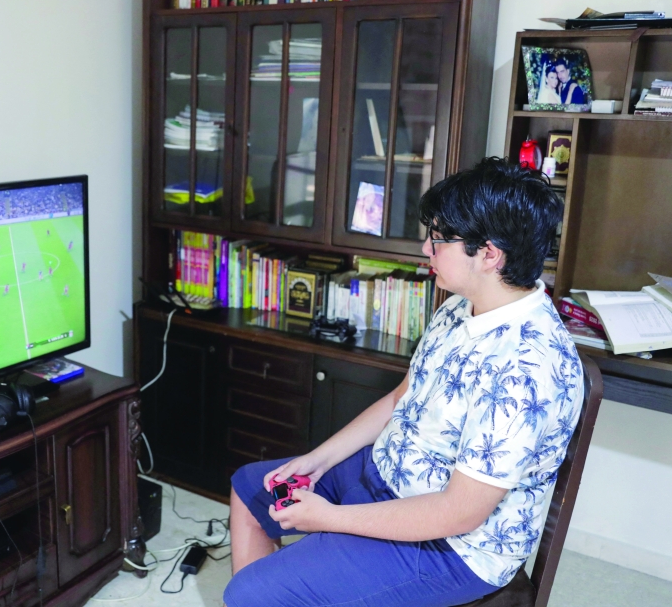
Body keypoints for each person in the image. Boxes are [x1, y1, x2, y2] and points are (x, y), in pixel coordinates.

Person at [224, 158, 582, 607]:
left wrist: (332, 518)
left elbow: (459, 511)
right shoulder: (459, 306)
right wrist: (318, 460)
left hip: (452, 545)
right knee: (250, 489)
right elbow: (402, 398)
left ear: (490, 254)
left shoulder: (529, 368)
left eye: (439, 239)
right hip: (387, 471)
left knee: (249, 594)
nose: (426, 249)